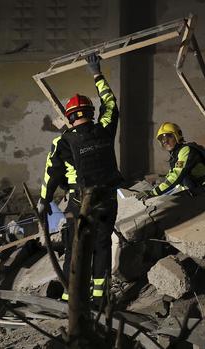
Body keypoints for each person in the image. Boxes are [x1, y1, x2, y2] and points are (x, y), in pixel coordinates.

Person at [37, 53, 122, 304]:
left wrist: (43, 202)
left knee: (76, 248)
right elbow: (111, 104)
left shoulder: (62, 141)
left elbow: (51, 174)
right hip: (107, 199)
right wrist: (97, 74)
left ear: (70, 116)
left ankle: (71, 295)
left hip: (78, 202)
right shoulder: (105, 128)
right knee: (102, 245)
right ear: (91, 112)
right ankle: (99, 298)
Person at [136, 122, 205, 200]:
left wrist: (153, 192)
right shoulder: (175, 154)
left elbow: (176, 176)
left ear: (178, 135)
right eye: (162, 139)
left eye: (169, 137)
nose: (165, 141)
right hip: (196, 187)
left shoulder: (186, 150)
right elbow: (172, 176)